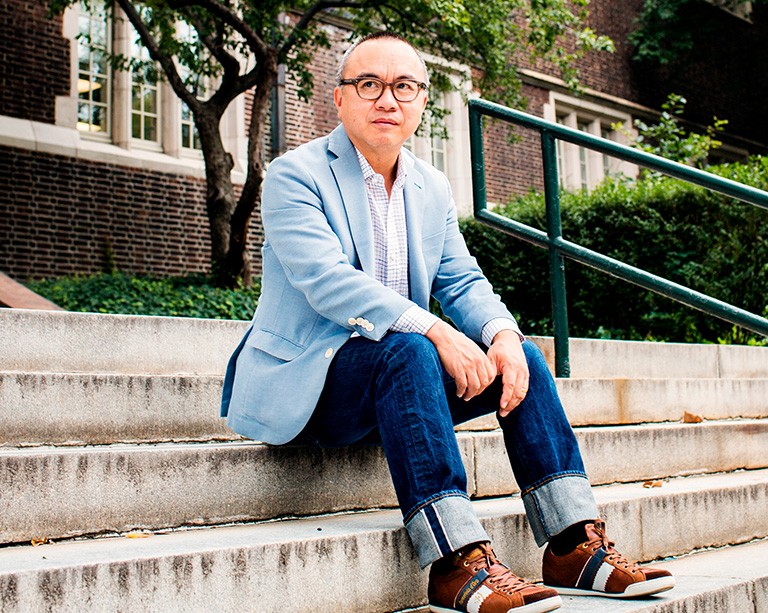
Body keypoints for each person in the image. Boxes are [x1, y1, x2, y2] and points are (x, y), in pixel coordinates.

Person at [221, 31, 675, 613]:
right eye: (370, 84)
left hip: (395, 386)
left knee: (525, 358)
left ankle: (572, 546)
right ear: (340, 99)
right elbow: (325, 279)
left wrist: (502, 336)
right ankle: (456, 562)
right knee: (409, 347)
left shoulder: (430, 186)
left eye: (404, 86)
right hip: (313, 384)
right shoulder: (295, 175)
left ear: (422, 102)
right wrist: (436, 330)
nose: (388, 99)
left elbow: (460, 282)